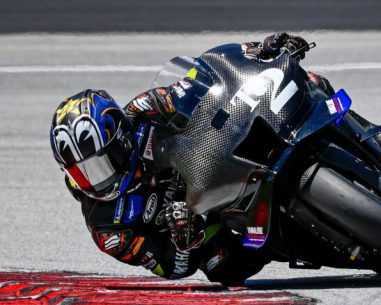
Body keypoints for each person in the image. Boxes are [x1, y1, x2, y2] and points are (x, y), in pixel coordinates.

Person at [49, 33, 320, 286]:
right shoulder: (107, 229)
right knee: (220, 266)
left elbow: (206, 76)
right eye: (81, 173)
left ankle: (318, 104)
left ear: (121, 140)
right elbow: (170, 268)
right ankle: (293, 242)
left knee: (306, 84)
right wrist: (183, 242)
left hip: (219, 154)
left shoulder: (144, 110)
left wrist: (258, 52)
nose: (96, 181)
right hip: (209, 215)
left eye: (99, 165)